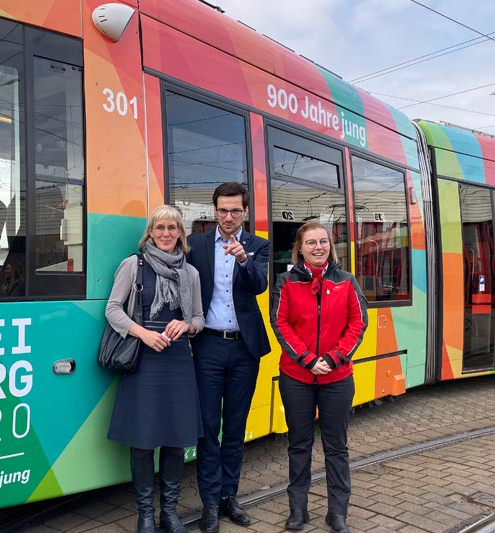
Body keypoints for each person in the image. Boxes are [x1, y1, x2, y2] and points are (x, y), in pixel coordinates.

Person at [105, 205, 205, 533]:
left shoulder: (191, 273)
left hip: (178, 360)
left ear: (180, 234)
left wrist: (187, 325)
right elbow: (113, 309)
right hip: (144, 359)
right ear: (150, 232)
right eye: (160, 227)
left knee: (176, 441)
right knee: (143, 441)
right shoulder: (133, 265)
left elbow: (199, 318)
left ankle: (170, 513)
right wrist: (143, 333)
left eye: (172, 228)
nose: (166, 233)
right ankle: (145, 514)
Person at [269, 221, 368, 533]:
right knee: (299, 445)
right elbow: (280, 323)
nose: (318, 247)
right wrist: (308, 359)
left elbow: (358, 323)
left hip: (337, 378)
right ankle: (297, 509)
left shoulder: (347, 281)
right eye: (311, 242)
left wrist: (334, 358)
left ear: (330, 246)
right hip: (296, 376)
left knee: (336, 447)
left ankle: (337, 512)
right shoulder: (286, 282)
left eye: (323, 241)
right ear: (300, 248)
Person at [186, 182, 271, 532]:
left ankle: (228, 497)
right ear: (215, 210)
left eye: (236, 210)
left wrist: (243, 260)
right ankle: (209, 502)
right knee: (208, 428)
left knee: (235, 427)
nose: (229, 216)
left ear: (245, 212)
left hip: (244, 348)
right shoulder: (196, 244)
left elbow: (260, 285)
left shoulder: (258, 245)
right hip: (207, 346)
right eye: (223, 210)